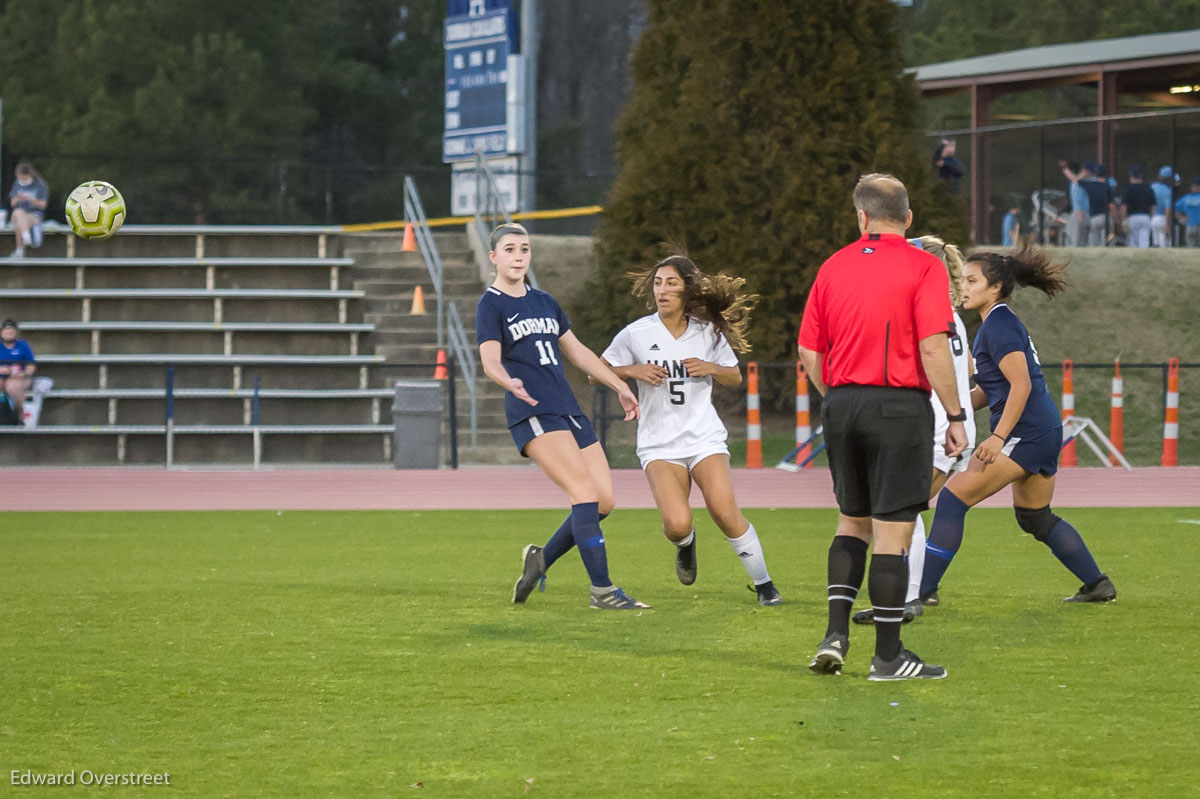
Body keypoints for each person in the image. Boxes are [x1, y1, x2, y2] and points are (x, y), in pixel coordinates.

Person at [799, 173, 968, 681]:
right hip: (898, 406)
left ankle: (834, 635)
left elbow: (809, 349)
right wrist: (956, 415)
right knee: (894, 531)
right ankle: (889, 657)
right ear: (909, 218)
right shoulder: (923, 266)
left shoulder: (833, 266)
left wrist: (839, 399)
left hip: (843, 403)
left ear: (861, 216)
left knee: (851, 521)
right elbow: (933, 346)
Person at [918, 244, 1117, 606]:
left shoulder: (999, 325)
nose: (963, 287)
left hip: (1025, 433)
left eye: (972, 280)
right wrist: (954, 412)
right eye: (963, 279)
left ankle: (922, 592)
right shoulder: (996, 322)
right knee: (1034, 517)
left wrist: (997, 437)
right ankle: (1097, 584)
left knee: (951, 499)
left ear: (995, 288)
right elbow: (992, 391)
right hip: (1041, 429)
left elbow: (1021, 384)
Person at [476, 223, 650, 610]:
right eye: (509, 249)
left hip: (569, 408)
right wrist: (509, 381)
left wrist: (618, 384)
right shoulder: (491, 304)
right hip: (533, 411)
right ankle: (603, 592)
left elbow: (579, 352)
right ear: (494, 257)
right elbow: (489, 360)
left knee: (603, 502)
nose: (518, 256)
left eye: (524, 249)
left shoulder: (544, 301)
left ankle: (540, 560)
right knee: (583, 494)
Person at [600, 253, 781, 606]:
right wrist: (632, 371)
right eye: (657, 283)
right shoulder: (636, 333)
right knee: (677, 525)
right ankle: (685, 545)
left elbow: (734, 375)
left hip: (704, 438)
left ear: (686, 290)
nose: (662, 290)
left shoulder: (707, 332)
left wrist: (710, 367)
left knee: (726, 513)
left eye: (671, 283)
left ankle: (765, 586)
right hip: (659, 443)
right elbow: (596, 371)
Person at [851, 235, 976, 626]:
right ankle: (909, 595)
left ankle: (905, 598)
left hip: (938, 429)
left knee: (897, 512)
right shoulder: (950, 315)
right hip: (951, 426)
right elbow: (968, 369)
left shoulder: (923, 314)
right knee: (905, 510)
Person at [7, 162, 49, 258]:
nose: (22, 181)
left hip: (34, 215)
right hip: (18, 213)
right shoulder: (17, 184)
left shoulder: (40, 184)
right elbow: (12, 203)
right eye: (20, 178)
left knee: (19, 221)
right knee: (18, 212)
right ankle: (26, 235)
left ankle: (19, 250)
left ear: (30, 175)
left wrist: (28, 199)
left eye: (24, 179)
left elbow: (43, 205)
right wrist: (16, 199)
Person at [0, 318, 37, 423]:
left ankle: (21, 413)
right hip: (2, 376)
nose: (9, 333)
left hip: (19, 378)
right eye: (6, 331)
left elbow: (31, 365)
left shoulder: (23, 345)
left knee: (12, 385)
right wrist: (8, 370)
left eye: (12, 331)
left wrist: (23, 373)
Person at [1122, 166, 1156, 248]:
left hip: (1132, 218)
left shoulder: (1128, 189)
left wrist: (1124, 220)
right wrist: (1151, 217)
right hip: (1145, 217)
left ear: (1132, 176)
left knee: (1133, 243)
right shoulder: (1148, 189)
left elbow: (1124, 207)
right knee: (1144, 243)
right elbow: (1153, 206)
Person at [1059, 161, 1089, 247]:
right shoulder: (1079, 183)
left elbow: (1072, 177)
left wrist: (1064, 168)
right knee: (1077, 239)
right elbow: (1072, 176)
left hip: (1080, 213)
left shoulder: (1081, 183)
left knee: (1076, 240)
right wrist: (1065, 168)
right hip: (1080, 213)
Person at [1150, 166, 1175, 248]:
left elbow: (1150, 205)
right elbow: (1168, 209)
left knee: (1156, 245)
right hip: (1163, 219)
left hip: (1153, 219)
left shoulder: (1152, 187)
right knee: (1164, 246)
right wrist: (1167, 225)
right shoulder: (1168, 190)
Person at [1173, 177, 1200, 248]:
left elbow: (1176, 208)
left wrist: (1182, 219)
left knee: (1191, 248)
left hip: (1190, 226)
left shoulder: (1186, 198)